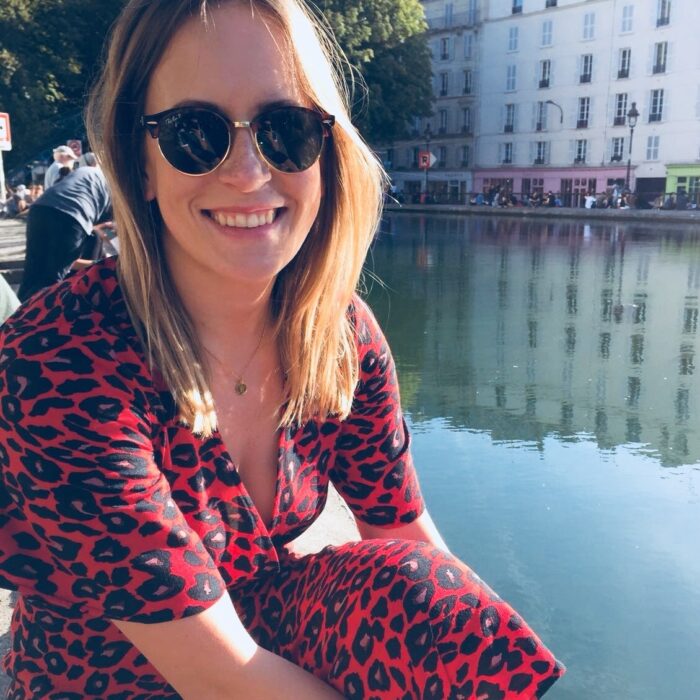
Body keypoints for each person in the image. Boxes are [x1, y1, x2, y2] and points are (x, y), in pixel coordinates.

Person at [0, 1, 565, 698]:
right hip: (105, 681)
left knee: (434, 602)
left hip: (262, 626)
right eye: (194, 133)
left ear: (327, 153)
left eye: (286, 130)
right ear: (140, 163)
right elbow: (220, 677)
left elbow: (406, 538)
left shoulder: (339, 334)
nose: (247, 172)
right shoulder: (59, 359)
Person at [17, 151, 112, 301]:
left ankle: (21, 311)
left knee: (33, 272)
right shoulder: (116, 186)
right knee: (53, 279)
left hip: (40, 209)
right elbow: (113, 229)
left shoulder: (88, 172)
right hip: (71, 215)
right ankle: (47, 312)